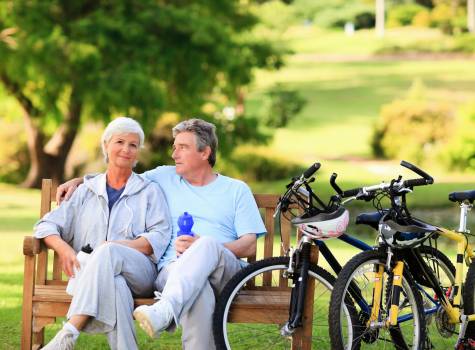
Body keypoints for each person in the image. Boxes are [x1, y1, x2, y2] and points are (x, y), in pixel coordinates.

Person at [57, 118, 266, 349]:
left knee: (205, 244)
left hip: (224, 273)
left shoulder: (236, 189)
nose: (174, 154)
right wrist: (81, 181)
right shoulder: (165, 177)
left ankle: (164, 310)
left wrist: (204, 248)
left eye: (183, 147)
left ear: (205, 152)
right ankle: (165, 310)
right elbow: (120, 175)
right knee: (200, 293)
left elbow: (249, 245)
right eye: (174, 147)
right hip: (172, 273)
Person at [36, 117, 171, 350]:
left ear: (138, 153)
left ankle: (70, 330)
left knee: (108, 251)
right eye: (120, 141)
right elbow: (46, 225)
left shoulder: (149, 191)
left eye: (133, 145)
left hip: (140, 275)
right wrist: (64, 248)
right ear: (106, 145)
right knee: (116, 285)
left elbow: (157, 238)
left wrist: (114, 246)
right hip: (101, 278)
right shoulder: (85, 191)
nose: (126, 149)